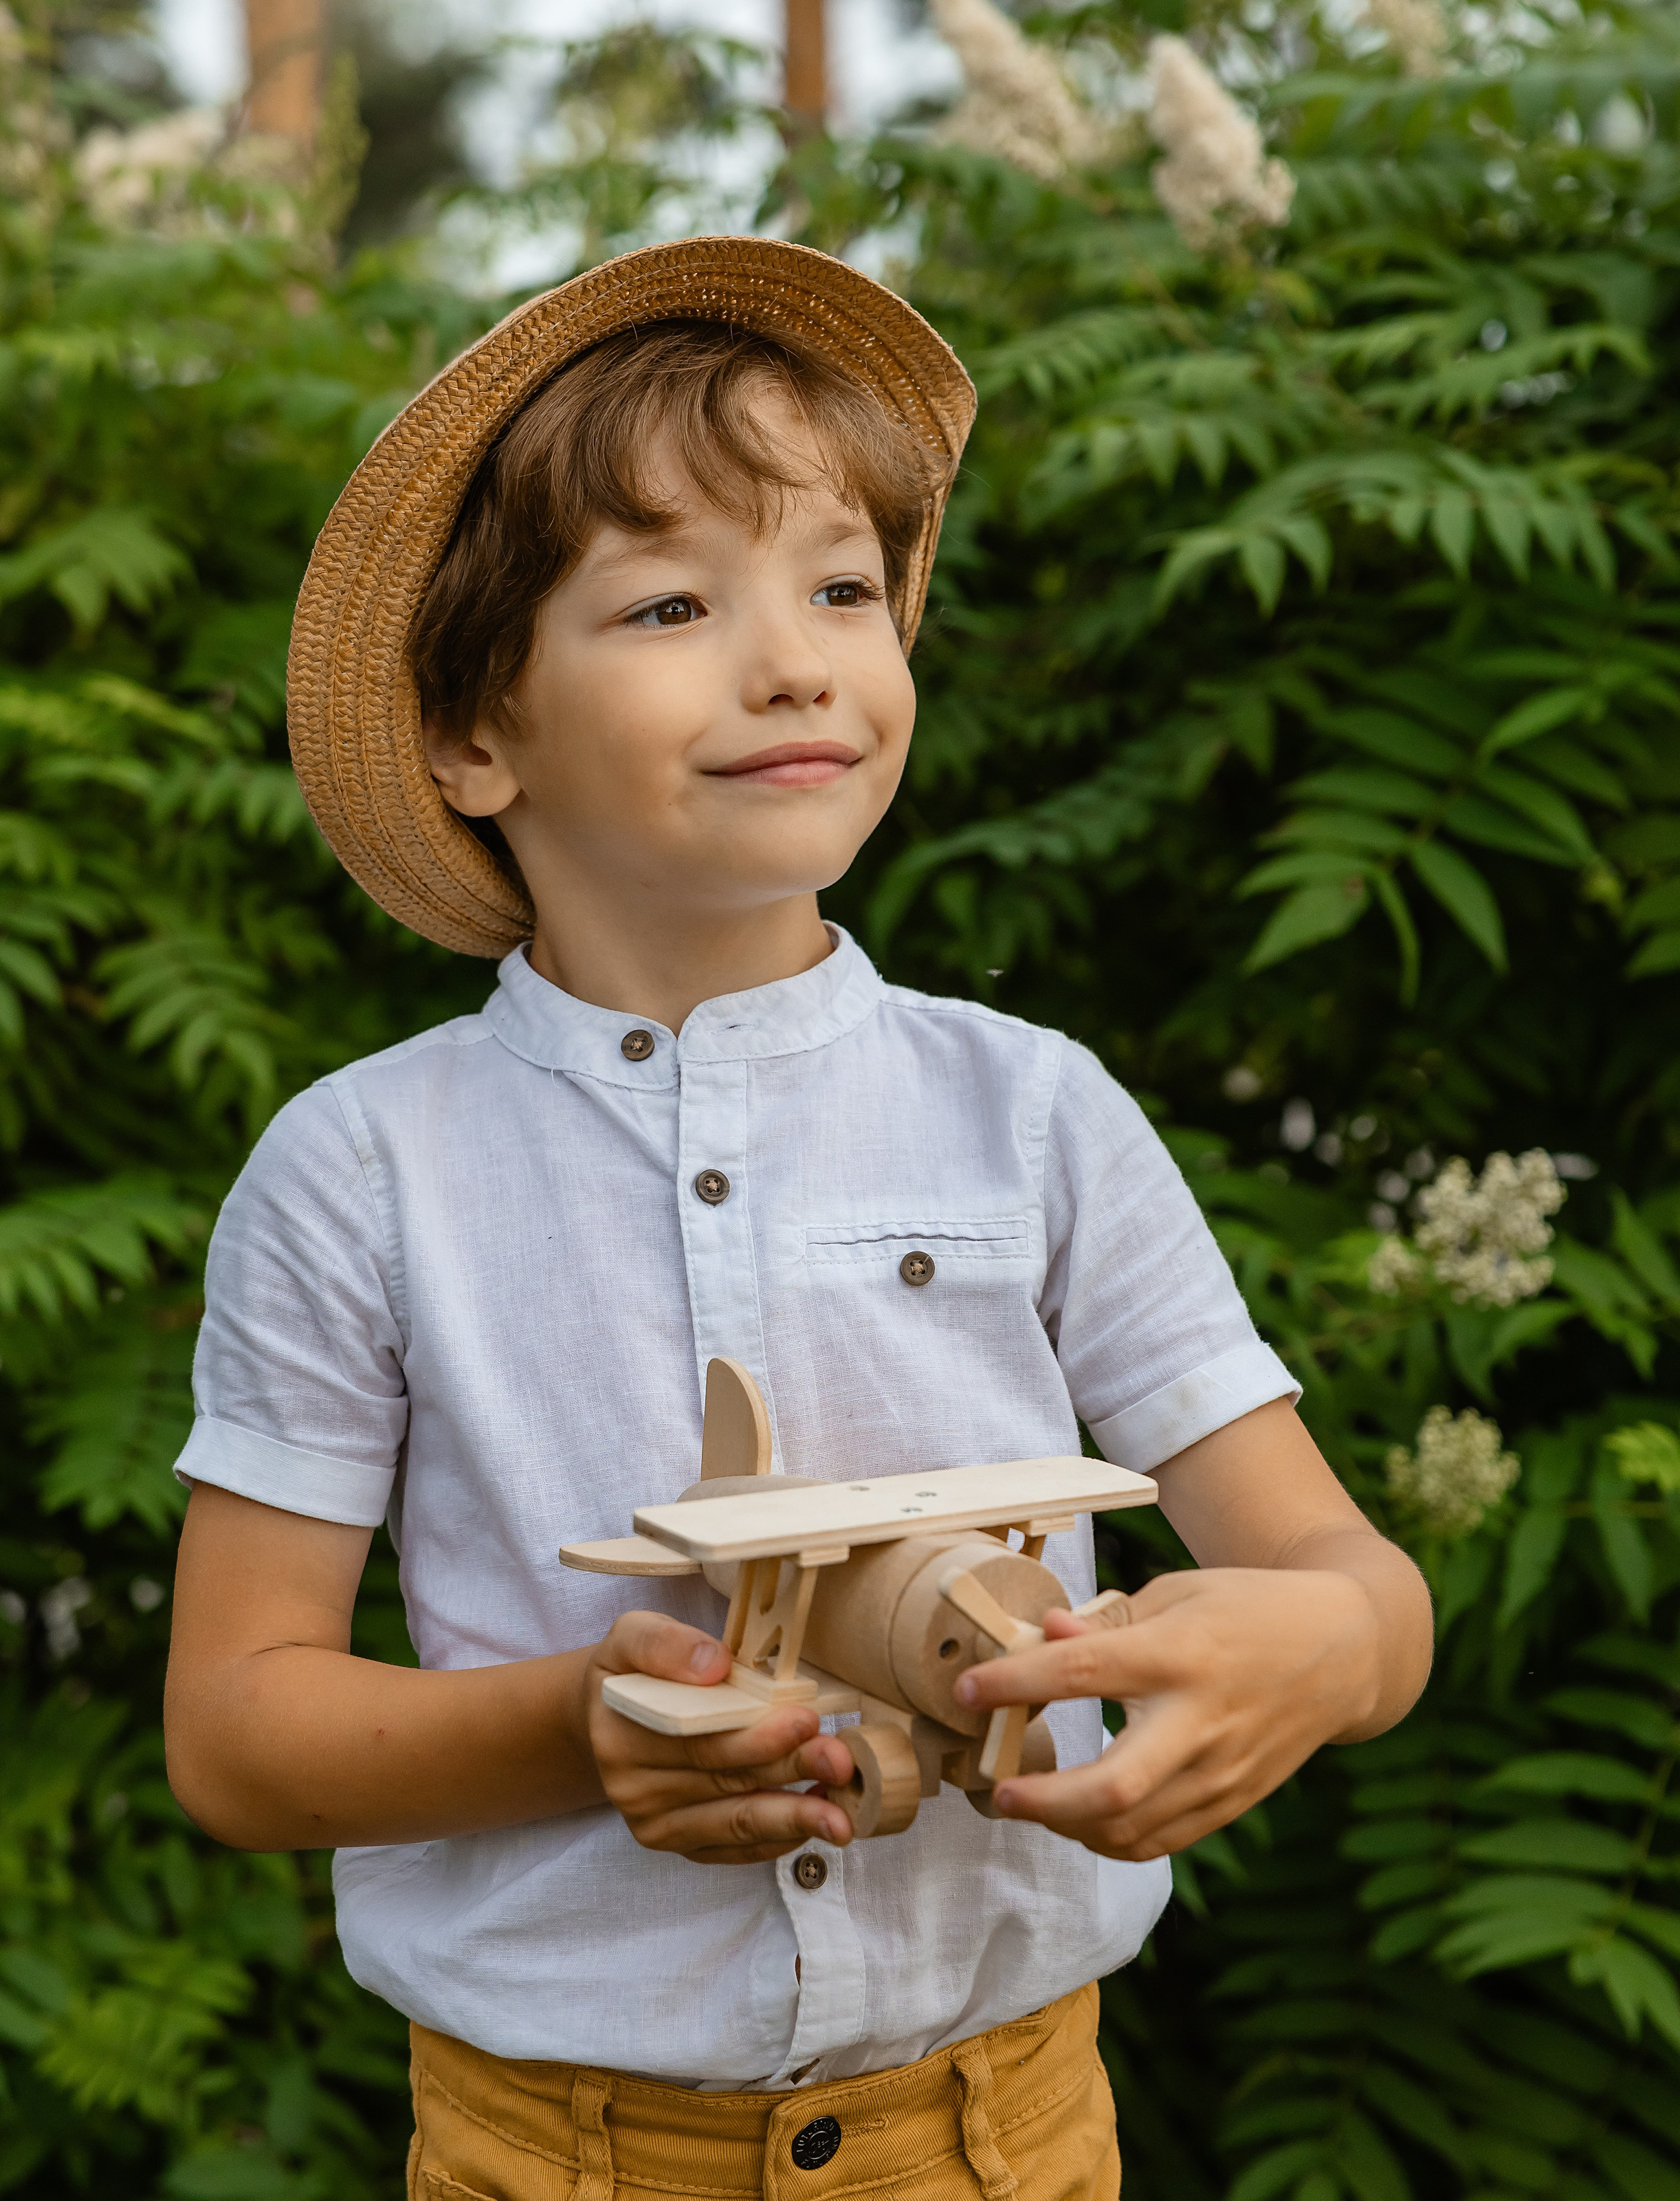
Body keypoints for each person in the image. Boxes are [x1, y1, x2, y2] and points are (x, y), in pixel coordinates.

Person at [163, 237, 1431, 2201]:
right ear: (473, 738)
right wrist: (590, 1729)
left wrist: (1315, 1656)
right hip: (557, 2155)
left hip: (1010, 2137)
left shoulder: (1038, 1112)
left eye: (845, 586)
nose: (796, 658)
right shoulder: (359, 1168)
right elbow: (242, 1732)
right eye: (672, 601)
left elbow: (1362, 1587)